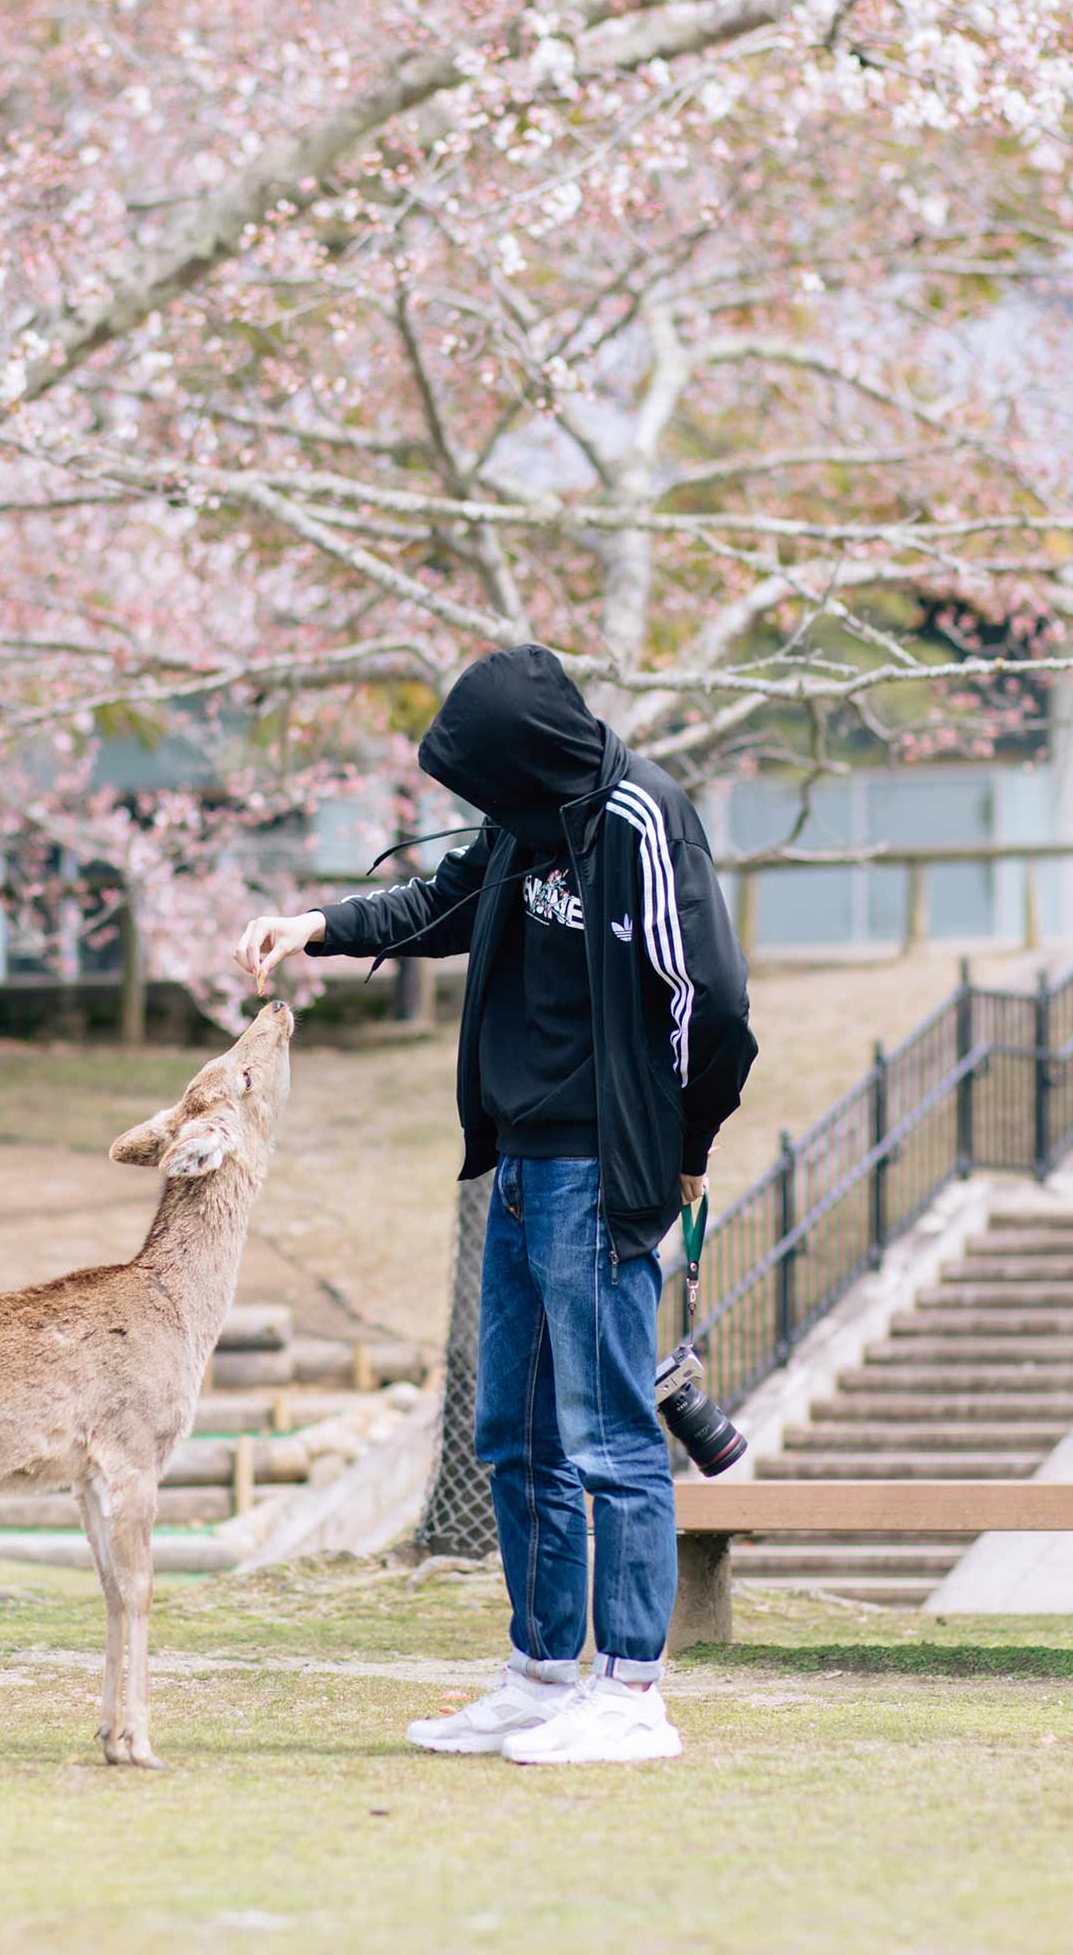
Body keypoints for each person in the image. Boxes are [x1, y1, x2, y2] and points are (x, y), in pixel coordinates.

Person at [235, 645, 757, 1765]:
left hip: (600, 1170)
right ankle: (540, 1675)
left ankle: (632, 1692)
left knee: (609, 1436)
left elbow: (710, 1006)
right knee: (511, 1435)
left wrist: (683, 1149)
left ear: (527, 755)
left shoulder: (640, 820)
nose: (479, 801)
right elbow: (446, 902)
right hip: (517, 1163)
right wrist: (317, 925)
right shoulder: (527, 814)